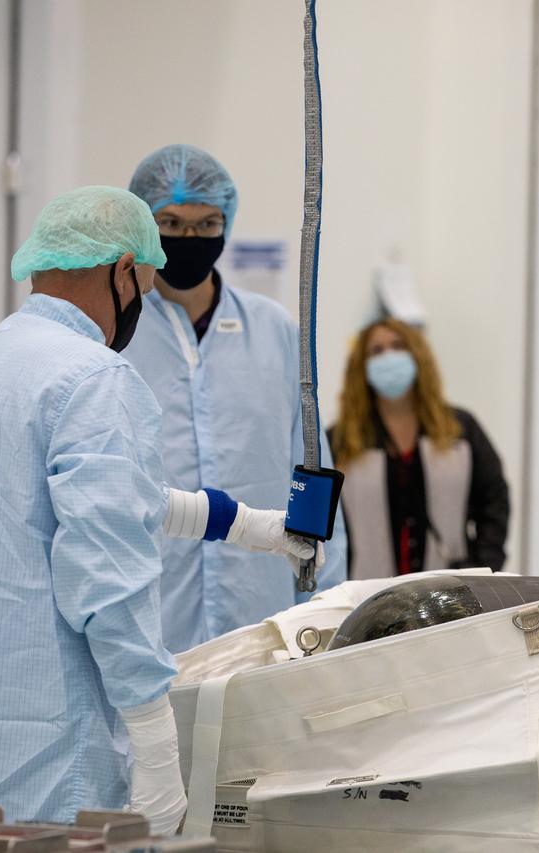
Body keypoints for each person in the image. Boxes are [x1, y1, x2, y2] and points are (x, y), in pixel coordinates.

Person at [0, 187, 317, 833]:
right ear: (120, 271)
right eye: (141, 284)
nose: (139, 302)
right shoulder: (93, 378)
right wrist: (153, 738)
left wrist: (246, 525)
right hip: (45, 752)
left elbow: (78, 500)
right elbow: (108, 573)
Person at [123, 144, 347, 653]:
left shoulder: (272, 331)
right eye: (171, 223)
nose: (189, 238)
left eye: (207, 224)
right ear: (144, 227)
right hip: (149, 615)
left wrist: (327, 603)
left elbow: (309, 467)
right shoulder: (118, 334)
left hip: (262, 614)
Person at [329, 318, 509, 578]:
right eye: (377, 350)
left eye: (399, 345)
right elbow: (325, 525)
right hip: (368, 596)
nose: (389, 356)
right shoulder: (341, 441)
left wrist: (483, 567)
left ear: (417, 357)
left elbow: (494, 498)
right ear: (361, 368)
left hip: (451, 595)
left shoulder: (460, 429)